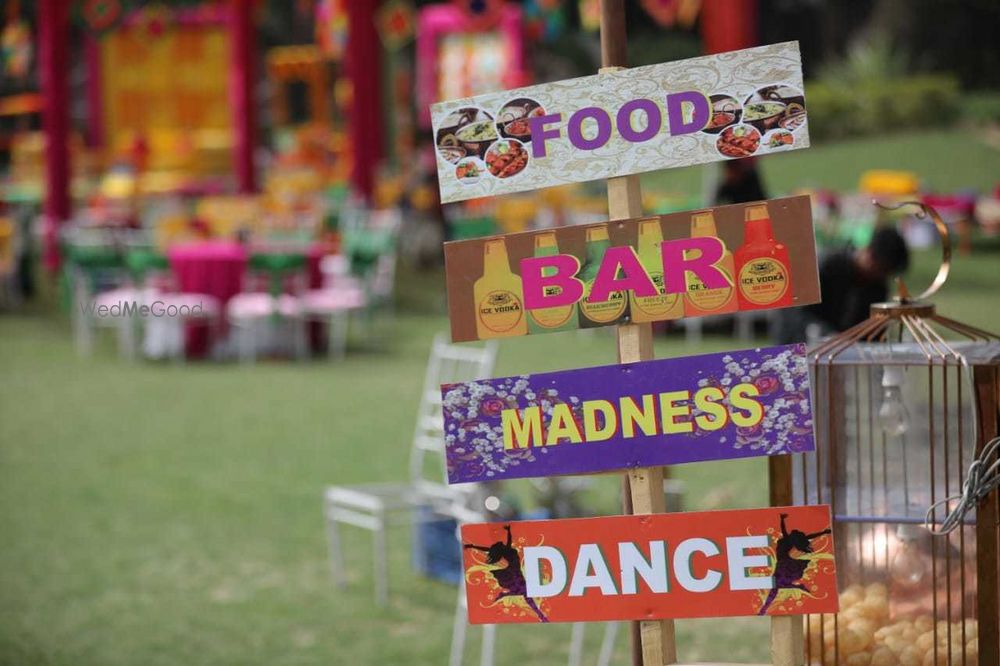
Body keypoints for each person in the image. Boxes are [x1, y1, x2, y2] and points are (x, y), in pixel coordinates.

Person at [774, 226, 910, 344]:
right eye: (882, 270)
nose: (882, 276)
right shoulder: (826, 266)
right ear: (870, 255)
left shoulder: (877, 288)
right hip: (802, 342)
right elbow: (797, 314)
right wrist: (829, 334)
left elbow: (872, 331)